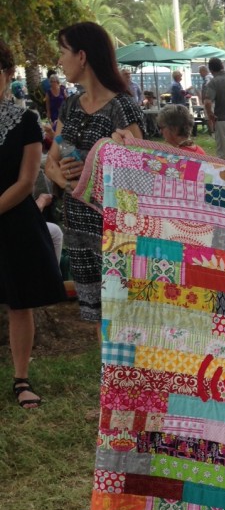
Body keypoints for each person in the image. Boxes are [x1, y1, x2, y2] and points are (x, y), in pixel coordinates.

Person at [44, 21, 145, 324]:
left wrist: (92, 170)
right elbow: (51, 162)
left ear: (82, 56)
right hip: (77, 227)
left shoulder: (122, 108)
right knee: (95, 317)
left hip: (113, 230)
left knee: (123, 317)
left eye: (63, 51)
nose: (59, 60)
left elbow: (139, 175)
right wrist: (68, 180)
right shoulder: (70, 106)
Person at [0, 39, 66, 408]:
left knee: (19, 302)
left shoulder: (26, 120)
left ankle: (21, 379)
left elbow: (27, 181)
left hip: (14, 220)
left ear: (8, 73)